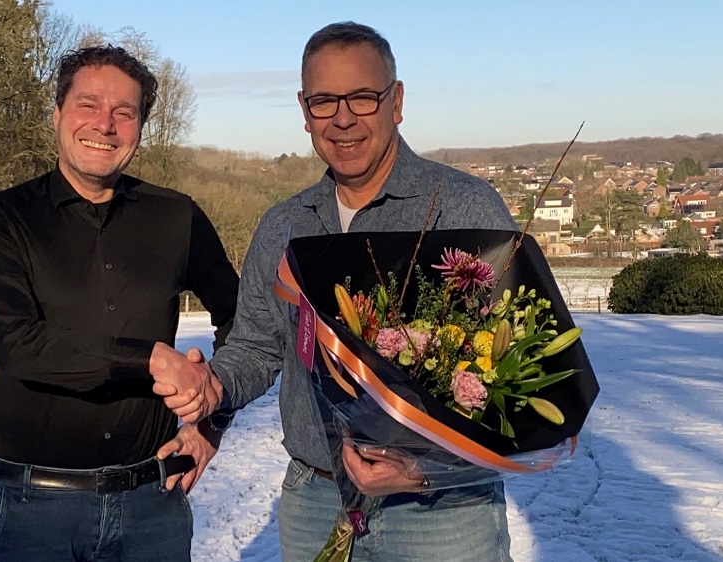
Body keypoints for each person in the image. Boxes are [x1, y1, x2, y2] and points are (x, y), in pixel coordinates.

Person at [155, 21, 517, 562]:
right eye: (324, 101)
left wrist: (422, 468)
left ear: (396, 101)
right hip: (315, 501)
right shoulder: (283, 226)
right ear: (305, 111)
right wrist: (214, 385)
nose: (343, 118)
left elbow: (516, 379)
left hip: (440, 514)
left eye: (362, 97)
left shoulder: (464, 210)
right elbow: (256, 347)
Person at [0, 45, 239, 562]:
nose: (104, 125)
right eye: (88, 105)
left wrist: (211, 421)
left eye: (123, 112)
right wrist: (152, 359)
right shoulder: (0, 219)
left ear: (140, 129)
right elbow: (19, 345)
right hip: (32, 511)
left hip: (152, 506)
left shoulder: (177, 218)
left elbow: (244, 321)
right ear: (57, 115)